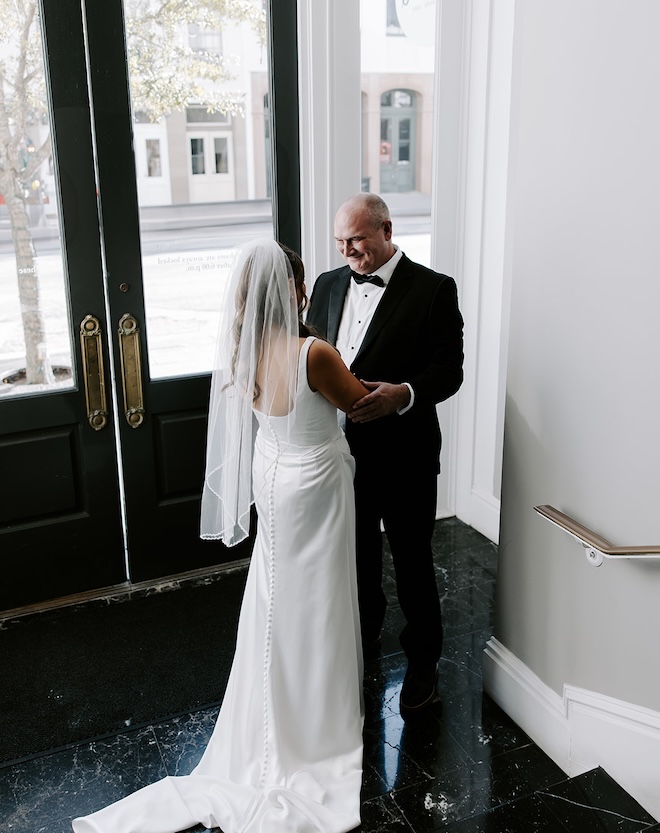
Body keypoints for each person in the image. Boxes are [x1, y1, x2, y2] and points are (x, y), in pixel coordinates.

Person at [72, 239, 370, 833]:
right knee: (320, 599)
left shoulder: (243, 348)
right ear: (294, 288)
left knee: (277, 593)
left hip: (274, 476)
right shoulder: (314, 354)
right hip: (313, 483)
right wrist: (396, 391)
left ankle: (273, 711)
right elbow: (359, 405)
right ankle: (316, 726)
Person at [306, 193, 464, 713]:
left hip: (405, 455)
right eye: (341, 243)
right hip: (338, 454)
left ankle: (423, 666)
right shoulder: (329, 284)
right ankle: (364, 639)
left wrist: (404, 394)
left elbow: (449, 370)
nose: (349, 251)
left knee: (413, 562)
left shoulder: (435, 290)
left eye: (358, 240)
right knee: (355, 556)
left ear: (386, 230)